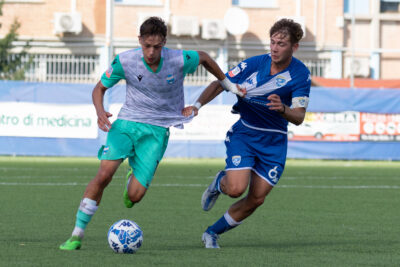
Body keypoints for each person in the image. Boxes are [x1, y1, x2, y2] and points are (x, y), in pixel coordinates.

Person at [59, 16, 243, 250]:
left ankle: (131, 180)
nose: (151, 52)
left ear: (164, 43)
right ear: (140, 41)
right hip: (126, 123)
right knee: (104, 175)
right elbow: (99, 88)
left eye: (157, 46)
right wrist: (99, 112)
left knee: (134, 197)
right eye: (147, 46)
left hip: (157, 131)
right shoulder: (125, 61)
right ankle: (77, 234)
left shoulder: (178, 59)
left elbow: (205, 58)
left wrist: (227, 84)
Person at [183, 18, 311, 248]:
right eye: (272, 42)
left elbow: (299, 116)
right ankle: (220, 182)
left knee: (256, 199)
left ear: (294, 47)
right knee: (235, 189)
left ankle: (212, 232)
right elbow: (220, 82)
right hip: (246, 134)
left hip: (274, 142)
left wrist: (283, 109)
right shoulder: (254, 63)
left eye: (281, 44)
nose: (274, 48)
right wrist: (197, 106)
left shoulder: (301, 74)